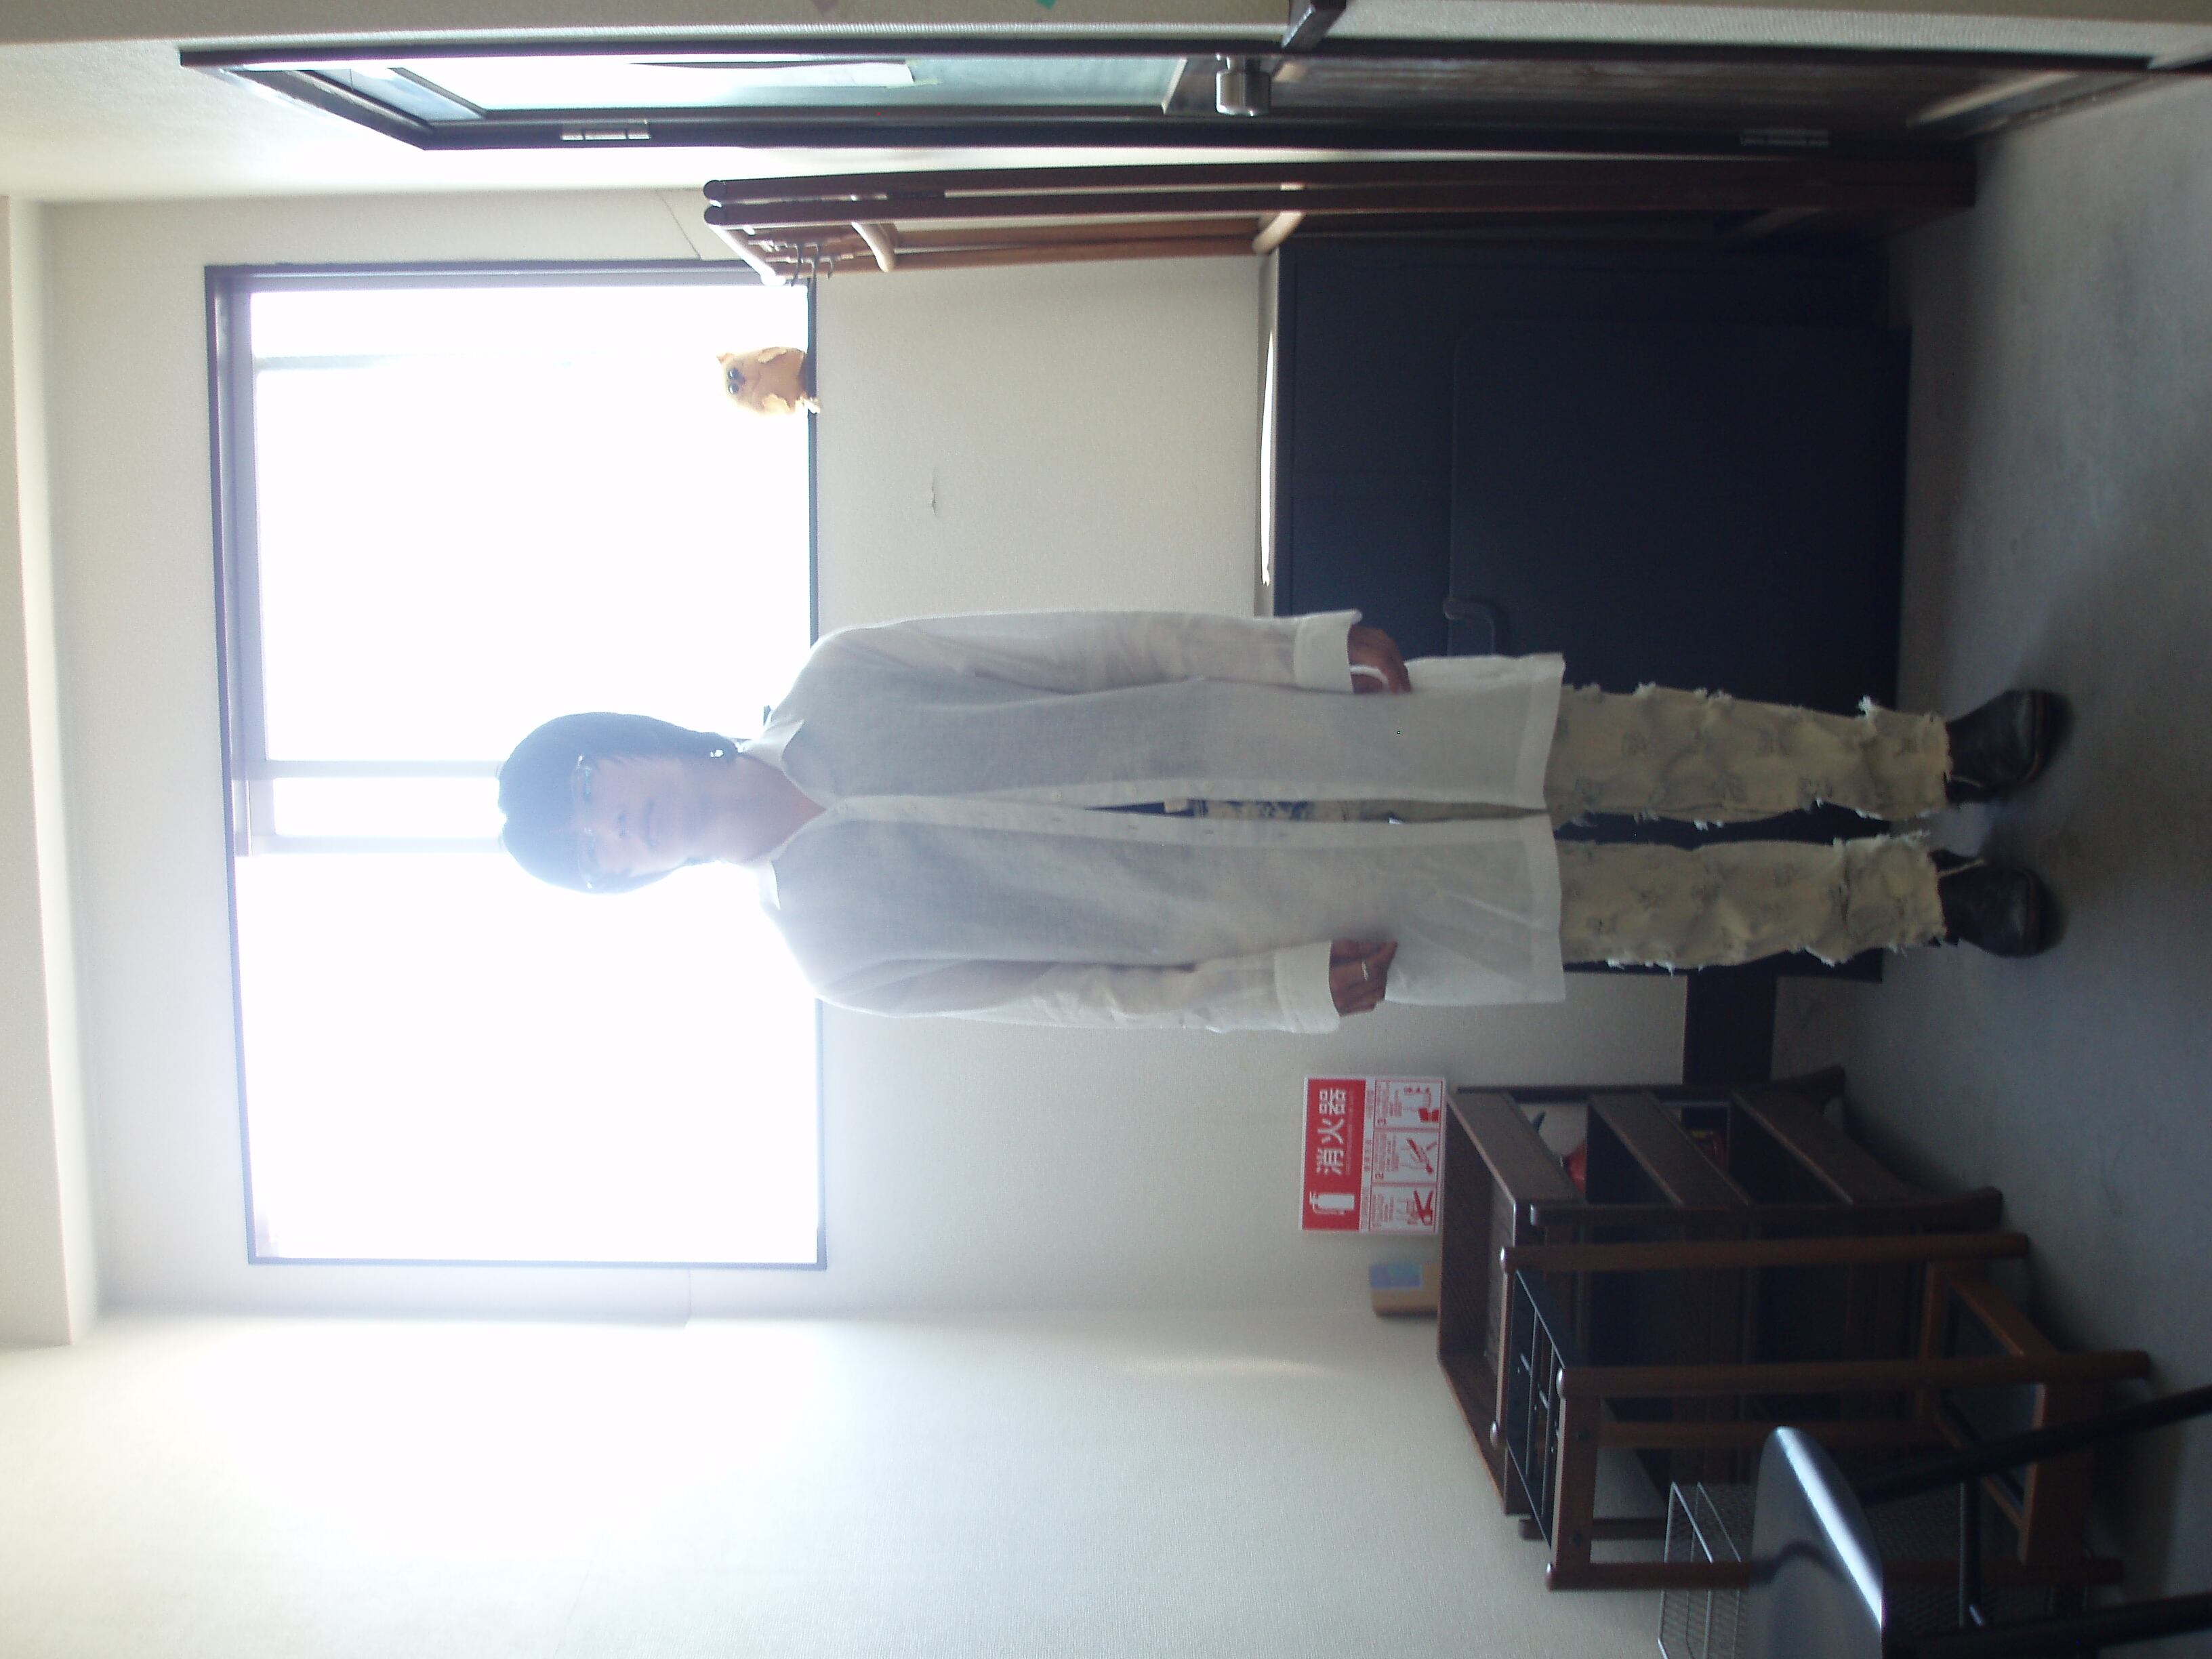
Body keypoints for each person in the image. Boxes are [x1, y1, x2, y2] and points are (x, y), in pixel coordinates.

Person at [497, 611, 2056, 1033]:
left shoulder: (843, 676)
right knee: (1643, 918)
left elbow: (1098, 647)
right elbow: (1087, 996)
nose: (617, 824)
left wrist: (1301, 652)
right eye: (594, 851)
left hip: (1298, 727)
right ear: (617, 882)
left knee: (1643, 743)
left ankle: (1923, 760)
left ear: (624, 744)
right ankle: (1913, 901)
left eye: (590, 789)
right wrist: (1282, 989)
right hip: (1289, 898)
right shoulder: (836, 957)